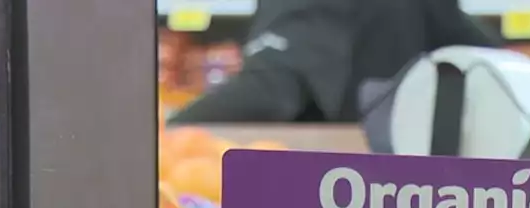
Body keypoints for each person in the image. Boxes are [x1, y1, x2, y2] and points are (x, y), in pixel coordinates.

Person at [169, 0, 501, 125]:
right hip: (400, 189)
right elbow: (491, 59)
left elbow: (271, 91)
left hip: (330, 190)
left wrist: (167, 131)